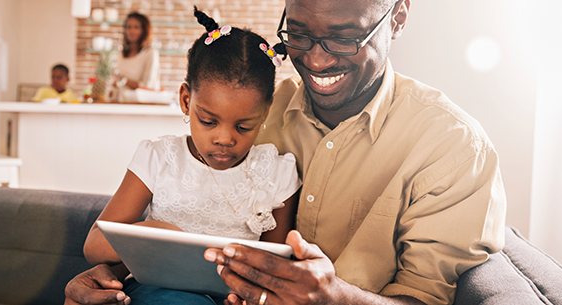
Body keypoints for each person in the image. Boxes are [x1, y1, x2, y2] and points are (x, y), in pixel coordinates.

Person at [65, 0, 507, 304]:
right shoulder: (259, 109)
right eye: (297, 35)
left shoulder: (453, 148)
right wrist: (115, 276)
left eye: (344, 37)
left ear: (398, 15)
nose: (315, 59)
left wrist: (336, 298)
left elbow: (432, 299)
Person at [81, 8, 301, 305]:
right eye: (208, 121)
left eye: (243, 126)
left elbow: (275, 269)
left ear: (265, 112)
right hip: (154, 294)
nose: (224, 139)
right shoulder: (159, 158)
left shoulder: (277, 173)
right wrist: (156, 233)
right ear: (186, 101)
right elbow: (94, 245)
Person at [108, 12, 160, 102]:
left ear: (144, 30)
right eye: (128, 27)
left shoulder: (150, 53)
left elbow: (148, 86)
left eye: (136, 27)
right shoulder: (121, 54)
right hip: (120, 104)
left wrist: (124, 80)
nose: (131, 31)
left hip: (140, 106)